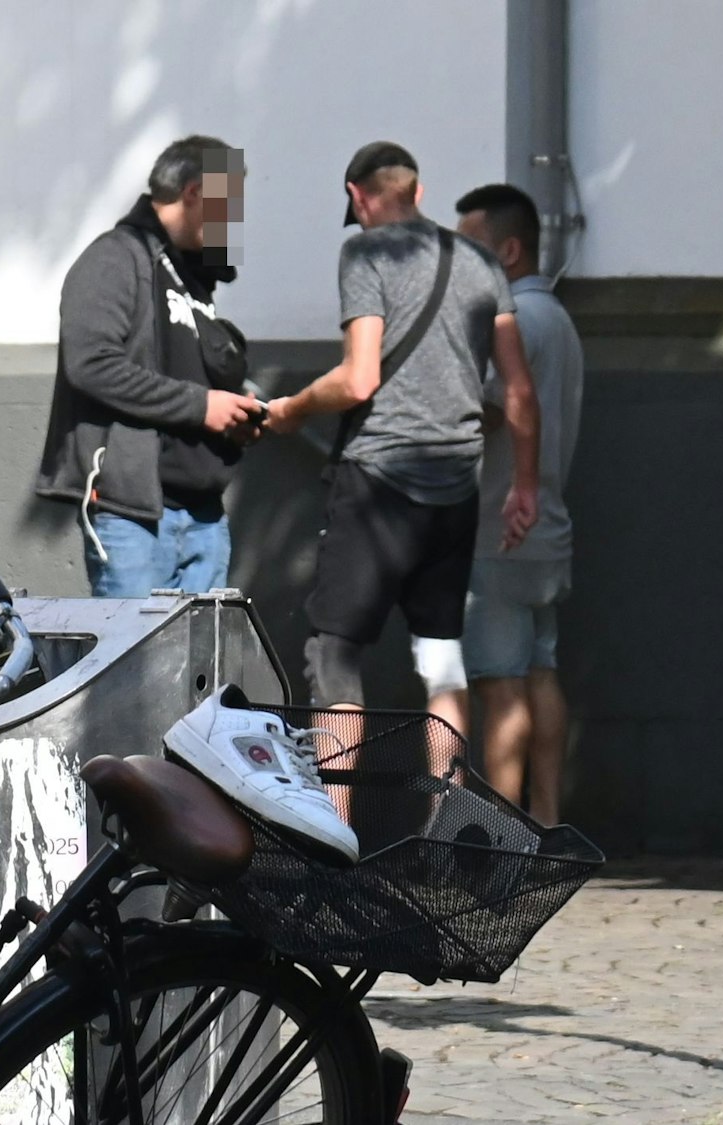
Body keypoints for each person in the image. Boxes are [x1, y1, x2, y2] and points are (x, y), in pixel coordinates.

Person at [264, 143, 541, 748]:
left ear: (359, 196)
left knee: (334, 655)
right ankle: (444, 830)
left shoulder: (365, 252)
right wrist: (524, 486)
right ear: (417, 190)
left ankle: (334, 832)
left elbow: (358, 378)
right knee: (441, 659)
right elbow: (518, 390)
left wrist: (292, 407)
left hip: (377, 483)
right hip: (456, 489)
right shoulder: (483, 263)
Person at [35, 136, 262, 597]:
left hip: (204, 517)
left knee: (203, 667)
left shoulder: (193, 276)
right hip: (132, 515)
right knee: (137, 666)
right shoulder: (114, 257)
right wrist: (201, 406)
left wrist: (239, 406)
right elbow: (91, 363)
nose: (233, 220)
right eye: (229, 204)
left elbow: (188, 376)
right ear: (196, 193)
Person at [446, 183, 585, 825]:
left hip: (497, 525)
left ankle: (500, 835)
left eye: (471, 247)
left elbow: (494, 411)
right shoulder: (555, 317)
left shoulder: (515, 322)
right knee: (540, 670)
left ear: (508, 249)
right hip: (547, 524)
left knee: (500, 681)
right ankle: (547, 818)